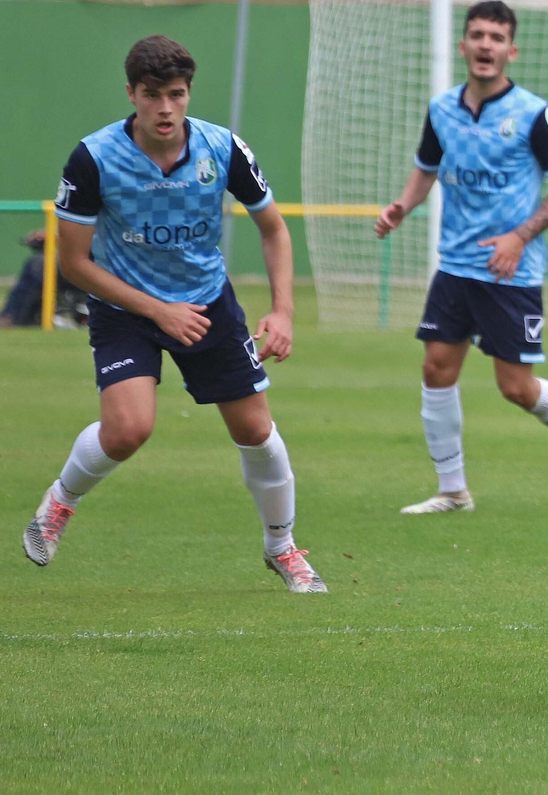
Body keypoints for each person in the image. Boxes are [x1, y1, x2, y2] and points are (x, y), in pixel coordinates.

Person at [24, 35, 325, 592]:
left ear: (189, 94)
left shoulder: (222, 149)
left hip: (207, 304)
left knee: (257, 432)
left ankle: (282, 548)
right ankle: (59, 503)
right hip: (125, 307)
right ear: (131, 93)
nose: (165, 108)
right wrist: (157, 311)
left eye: (177, 95)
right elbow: (72, 262)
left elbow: (274, 229)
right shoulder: (93, 158)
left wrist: (283, 311)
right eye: (152, 95)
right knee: (129, 430)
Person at [375, 0, 548, 514]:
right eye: (477, 35)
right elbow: (426, 167)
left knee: (516, 387)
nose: (486, 45)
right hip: (456, 264)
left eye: (496, 37)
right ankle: (453, 490)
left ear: (511, 49)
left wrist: (518, 237)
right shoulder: (441, 109)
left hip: (510, 270)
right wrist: (402, 205)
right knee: (437, 367)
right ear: (463, 45)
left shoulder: (534, 114)